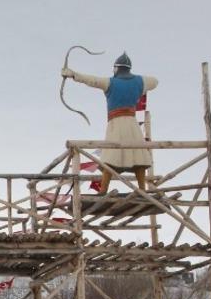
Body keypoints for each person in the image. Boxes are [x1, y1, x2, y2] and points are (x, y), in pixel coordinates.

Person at [62, 52, 159, 194]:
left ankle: (103, 190)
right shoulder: (140, 81)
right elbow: (155, 81)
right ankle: (142, 189)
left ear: (117, 68)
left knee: (109, 157)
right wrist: (137, 81)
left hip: (116, 124)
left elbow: (92, 80)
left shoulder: (110, 82)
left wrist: (73, 74)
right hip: (132, 123)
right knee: (138, 154)